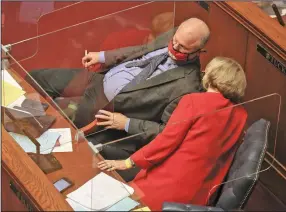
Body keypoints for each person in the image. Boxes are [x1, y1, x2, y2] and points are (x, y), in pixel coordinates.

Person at [28, 18, 210, 180]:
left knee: (64, 140)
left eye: (182, 48)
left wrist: (127, 123)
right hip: (99, 78)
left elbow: (166, 132)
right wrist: (102, 56)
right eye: (174, 41)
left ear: (199, 51)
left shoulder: (187, 86)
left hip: (108, 109)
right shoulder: (175, 36)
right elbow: (142, 50)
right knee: (35, 78)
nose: (174, 48)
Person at [98, 57, 248, 211]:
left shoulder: (194, 101)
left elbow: (166, 142)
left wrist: (127, 163)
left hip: (167, 188)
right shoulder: (241, 116)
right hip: (199, 198)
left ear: (211, 75)